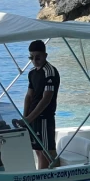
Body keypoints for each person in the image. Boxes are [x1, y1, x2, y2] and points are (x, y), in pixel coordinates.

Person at [23, 39, 60, 169]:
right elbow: (29, 96)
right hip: (33, 117)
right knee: (38, 149)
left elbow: (46, 99)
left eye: (37, 57)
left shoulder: (49, 72)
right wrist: (25, 116)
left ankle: (47, 175)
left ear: (45, 55)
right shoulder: (32, 72)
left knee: (47, 150)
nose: (34, 60)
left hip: (44, 117)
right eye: (31, 57)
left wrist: (29, 118)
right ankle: (43, 173)